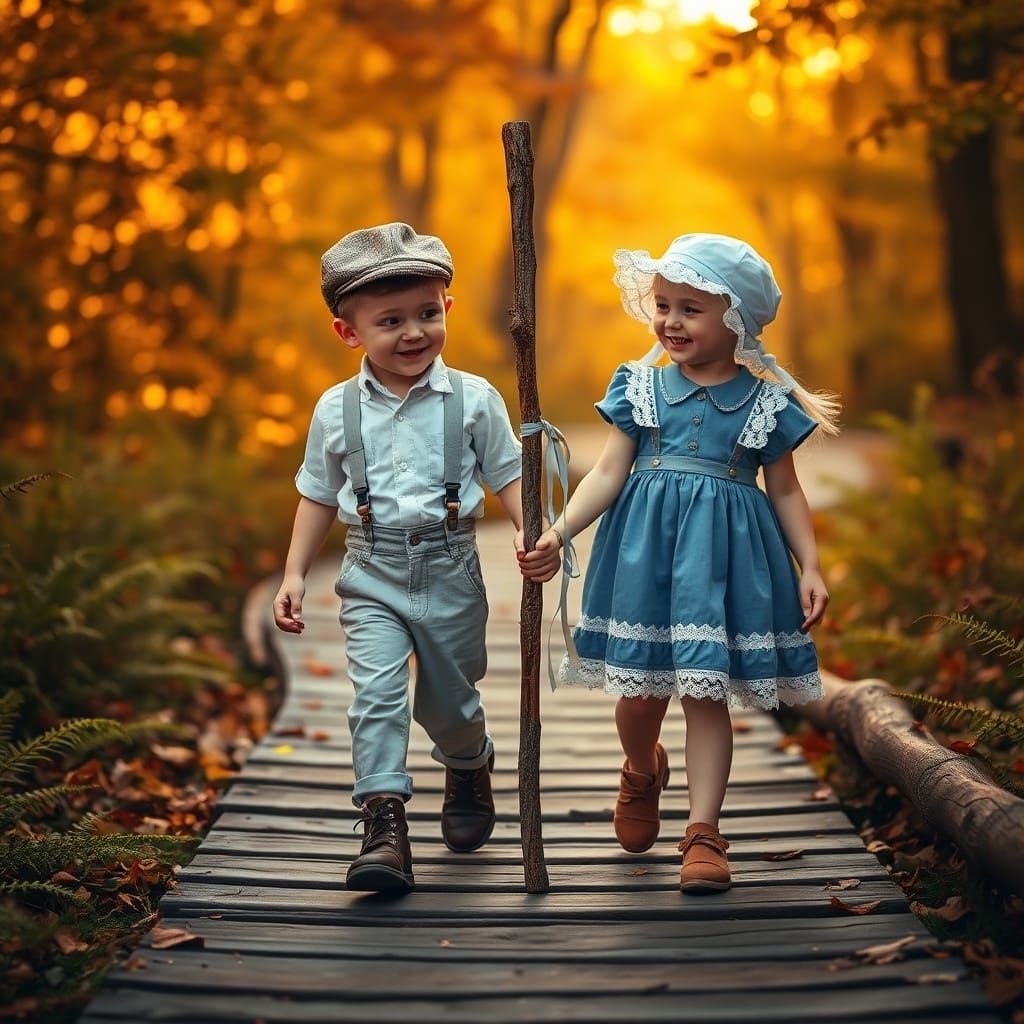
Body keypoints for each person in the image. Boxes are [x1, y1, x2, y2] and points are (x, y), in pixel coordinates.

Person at [520, 233, 840, 893]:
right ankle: (642, 768)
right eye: (663, 306)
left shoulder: (765, 403)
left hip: (721, 567)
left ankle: (703, 832)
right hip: (644, 560)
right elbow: (608, 472)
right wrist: (559, 531)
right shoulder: (639, 386)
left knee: (704, 693)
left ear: (736, 320)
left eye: (690, 309)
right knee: (640, 698)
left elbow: (785, 490)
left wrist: (810, 565)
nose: (670, 321)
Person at [273, 222, 560, 894]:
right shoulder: (335, 410)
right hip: (370, 570)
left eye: (428, 314)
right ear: (348, 332)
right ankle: (384, 824)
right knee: (377, 696)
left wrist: (534, 534)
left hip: (451, 567)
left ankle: (468, 762)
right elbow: (317, 494)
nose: (413, 333)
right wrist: (294, 572)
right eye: (390, 321)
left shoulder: (474, 399)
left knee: (449, 703)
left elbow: (508, 475)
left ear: (447, 308)